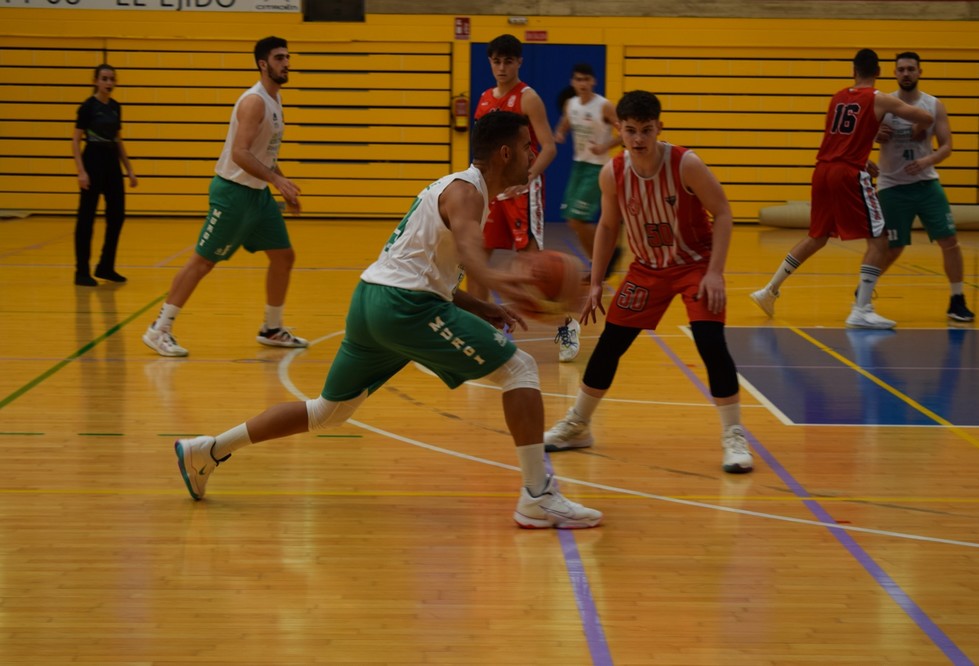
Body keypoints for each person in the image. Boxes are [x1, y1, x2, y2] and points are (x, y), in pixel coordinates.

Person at [172, 111, 603, 530]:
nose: (534, 156)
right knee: (520, 368)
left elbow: (421, 264)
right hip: (405, 307)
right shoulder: (467, 193)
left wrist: (479, 303)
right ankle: (537, 497)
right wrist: (496, 280)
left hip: (371, 300)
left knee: (327, 412)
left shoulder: (453, 188)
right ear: (506, 153)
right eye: (529, 148)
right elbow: (471, 251)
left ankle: (207, 450)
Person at [544, 90, 753, 474]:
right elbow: (608, 226)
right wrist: (595, 281)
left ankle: (734, 435)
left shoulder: (685, 164)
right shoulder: (613, 173)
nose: (638, 139)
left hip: (694, 263)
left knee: (710, 341)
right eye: (630, 131)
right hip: (647, 268)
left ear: (659, 128)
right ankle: (578, 424)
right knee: (610, 345)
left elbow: (723, 212)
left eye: (646, 131)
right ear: (618, 130)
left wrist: (714, 272)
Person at [142, 36, 307, 357]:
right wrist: (276, 179)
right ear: (263, 64)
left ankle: (271, 328)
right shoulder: (254, 101)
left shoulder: (276, 99)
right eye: (279, 58)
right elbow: (240, 153)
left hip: (258, 195)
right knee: (203, 262)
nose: (286, 63)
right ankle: (159, 329)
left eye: (287, 57)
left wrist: (282, 182)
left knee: (283, 257)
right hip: (233, 193)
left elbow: (265, 153)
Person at [750, 49, 934, 329]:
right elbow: (926, 116)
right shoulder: (879, 98)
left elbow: (838, 140)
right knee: (880, 240)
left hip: (823, 170)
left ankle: (768, 290)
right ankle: (861, 309)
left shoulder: (837, 98)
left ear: (853, 71)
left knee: (817, 236)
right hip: (848, 174)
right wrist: (903, 121)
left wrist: (865, 155)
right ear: (880, 72)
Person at [873, 51, 974, 322]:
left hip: (926, 183)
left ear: (920, 72)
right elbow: (865, 135)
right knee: (892, 248)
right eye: (901, 69)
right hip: (892, 184)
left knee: (949, 241)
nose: (906, 73)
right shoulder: (884, 103)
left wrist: (927, 159)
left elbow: (947, 146)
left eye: (911, 69)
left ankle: (957, 299)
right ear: (894, 73)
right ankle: (864, 293)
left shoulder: (933, 105)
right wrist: (875, 134)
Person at [468, 35, 557, 297]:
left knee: (532, 260)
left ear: (519, 62)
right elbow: (481, 148)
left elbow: (549, 147)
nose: (502, 67)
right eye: (497, 61)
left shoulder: (528, 98)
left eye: (508, 61)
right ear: (490, 63)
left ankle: (556, 319)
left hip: (522, 188)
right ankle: (480, 321)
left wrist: (527, 177)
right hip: (492, 187)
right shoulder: (484, 98)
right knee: (477, 257)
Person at [552, 63, 621, 362]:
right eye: (578, 79)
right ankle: (601, 258)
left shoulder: (604, 105)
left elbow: (623, 131)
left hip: (597, 168)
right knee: (571, 219)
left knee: (578, 218)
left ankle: (602, 259)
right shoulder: (570, 104)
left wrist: (606, 144)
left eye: (587, 79)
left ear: (593, 81)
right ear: (573, 81)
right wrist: (560, 132)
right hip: (579, 166)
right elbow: (567, 120)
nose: (583, 83)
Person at [71, 64, 137, 287]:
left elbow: (117, 140)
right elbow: (75, 141)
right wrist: (81, 171)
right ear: (95, 81)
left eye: (112, 79)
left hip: (111, 163)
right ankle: (81, 271)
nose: (109, 83)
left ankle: (105, 266)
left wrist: (128, 169)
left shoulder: (116, 107)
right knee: (86, 218)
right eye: (105, 79)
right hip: (92, 160)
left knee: (117, 215)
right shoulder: (87, 107)